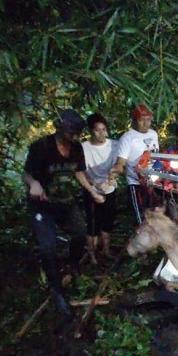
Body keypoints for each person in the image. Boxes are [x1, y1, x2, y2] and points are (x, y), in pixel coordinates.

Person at [22, 109, 105, 317]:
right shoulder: (42, 147)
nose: (74, 137)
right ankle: (57, 290)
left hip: (66, 202)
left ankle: (74, 265)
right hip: (43, 206)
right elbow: (26, 174)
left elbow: (78, 171)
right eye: (71, 133)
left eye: (77, 133)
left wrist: (92, 192)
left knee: (80, 233)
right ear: (60, 128)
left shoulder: (76, 148)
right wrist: (34, 184)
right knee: (47, 247)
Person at [110, 104, 160, 224]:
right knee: (142, 221)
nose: (145, 123)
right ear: (134, 120)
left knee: (157, 216)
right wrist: (117, 169)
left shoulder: (153, 134)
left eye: (148, 120)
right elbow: (121, 160)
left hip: (153, 182)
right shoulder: (127, 138)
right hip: (136, 183)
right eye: (142, 120)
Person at [82, 113, 119, 264]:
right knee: (92, 224)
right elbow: (81, 171)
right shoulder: (84, 147)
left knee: (107, 222)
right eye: (97, 130)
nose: (101, 133)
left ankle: (106, 250)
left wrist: (112, 178)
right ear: (91, 130)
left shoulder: (114, 145)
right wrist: (95, 185)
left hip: (110, 187)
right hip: (92, 189)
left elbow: (119, 164)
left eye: (104, 129)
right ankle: (92, 255)